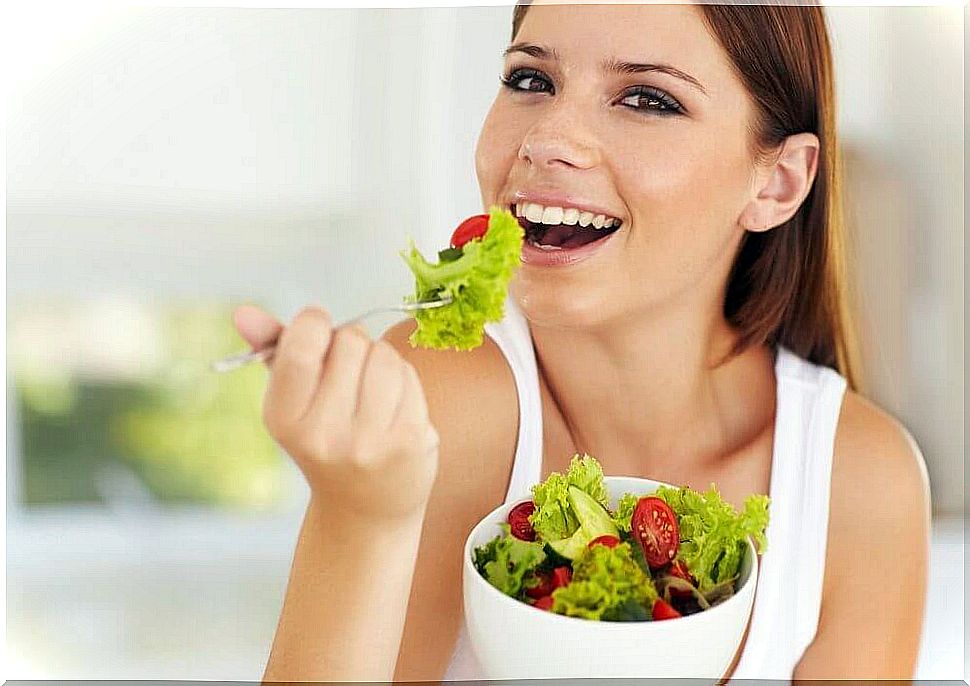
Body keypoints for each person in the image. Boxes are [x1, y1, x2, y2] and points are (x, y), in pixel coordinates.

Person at [232, 2, 931, 681]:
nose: (547, 140)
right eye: (531, 81)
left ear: (777, 183)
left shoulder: (862, 485)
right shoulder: (444, 396)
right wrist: (362, 515)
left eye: (648, 100)